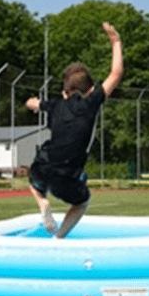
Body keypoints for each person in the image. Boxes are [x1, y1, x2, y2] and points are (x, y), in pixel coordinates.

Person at [25, 22, 123, 238]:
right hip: (67, 174)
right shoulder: (91, 102)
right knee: (82, 202)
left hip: (44, 165)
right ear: (90, 89)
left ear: (64, 92)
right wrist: (115, 41)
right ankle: (59, 237)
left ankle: (42, 202)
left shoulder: (55, 104)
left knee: (33, 182)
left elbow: (33, 104)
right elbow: (115, 74)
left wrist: (34, 103)